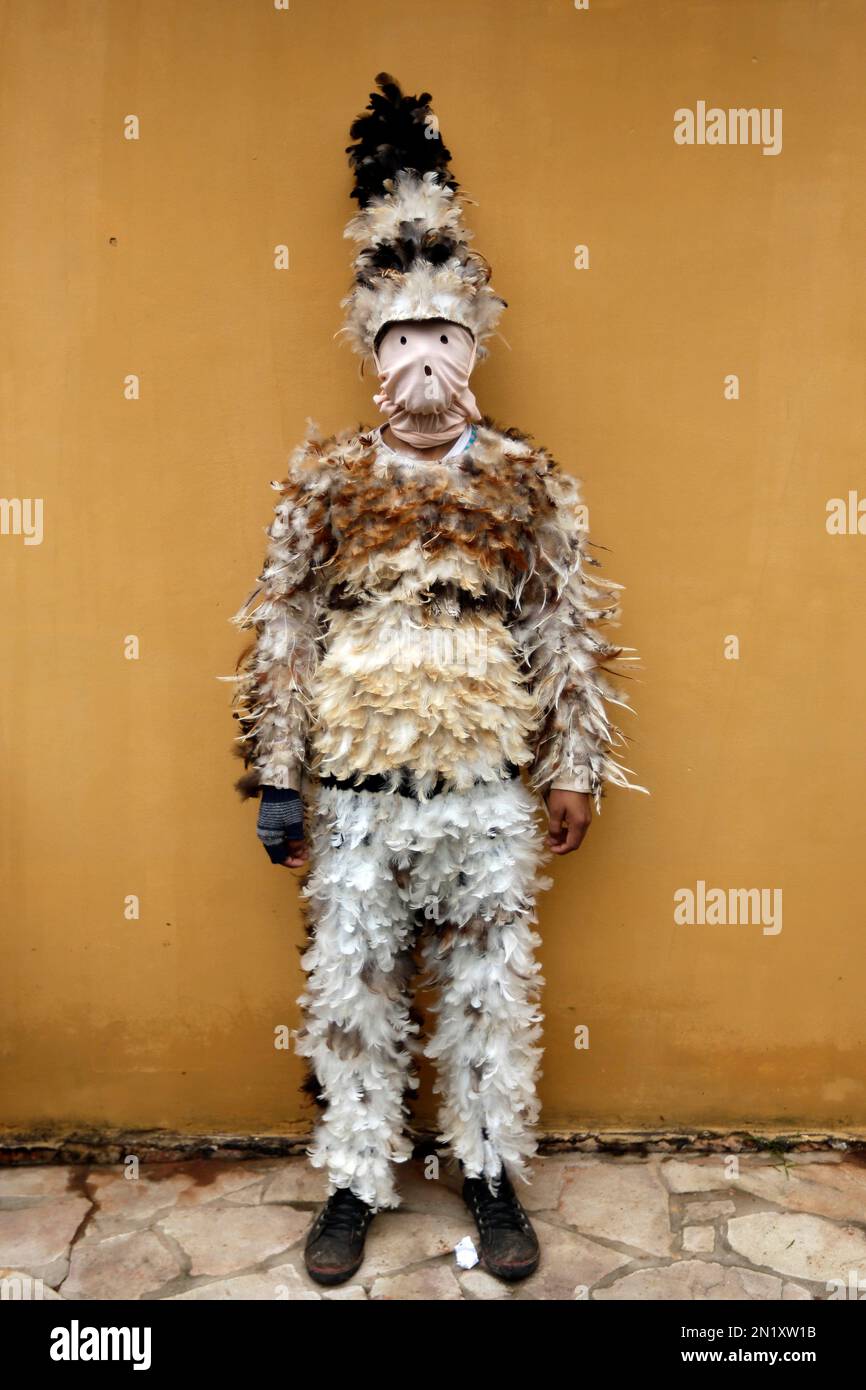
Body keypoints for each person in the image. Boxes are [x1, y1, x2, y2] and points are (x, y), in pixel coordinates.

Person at [230, 74, 644, 1288]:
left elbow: (567, 625)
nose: (421, 366)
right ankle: (356, 1177)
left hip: (481, 786)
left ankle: (487, 1172)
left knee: (485, 984)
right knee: (352, 988)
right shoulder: (320, 483)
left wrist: (571, 766)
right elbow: (282, 627)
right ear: (374, 353)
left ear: (471, 348)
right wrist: (276, 777)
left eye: (442, 341)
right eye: (400, 341)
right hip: (355, 788)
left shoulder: (525, 481)